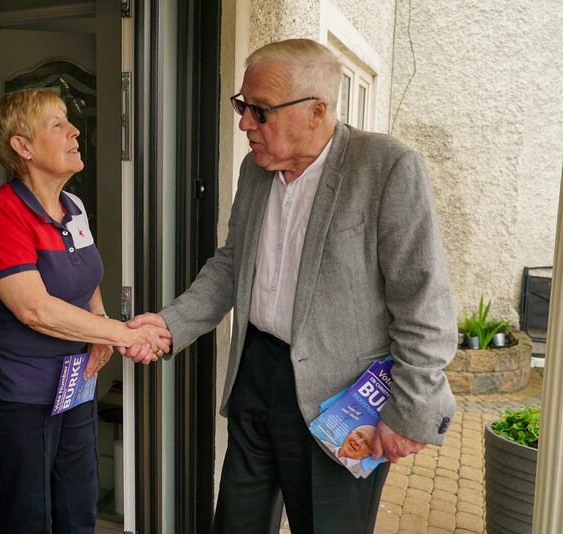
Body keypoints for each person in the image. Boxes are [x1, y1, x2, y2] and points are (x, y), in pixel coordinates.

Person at [125, 38, 457, 533]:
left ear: (317, 111)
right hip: (256, 374)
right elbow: (232, 264)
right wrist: (172, 324)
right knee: (236, 524)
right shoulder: (256, 172)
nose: (244, 125)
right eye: (242, 106)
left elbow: (422, 301)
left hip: (341, 399)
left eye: (259, 111)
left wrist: (409, 410)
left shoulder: (386, 167)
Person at [0, 88, 170, 534]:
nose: (75, 130)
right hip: (20, 386)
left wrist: (99, 329)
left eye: (69, 122)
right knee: (28, 510)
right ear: (22, 147)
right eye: (57, 124)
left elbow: (84, 278)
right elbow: (34, 309)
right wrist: (126, 334)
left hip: (74, 378)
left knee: (78, 496)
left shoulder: (72, 206)